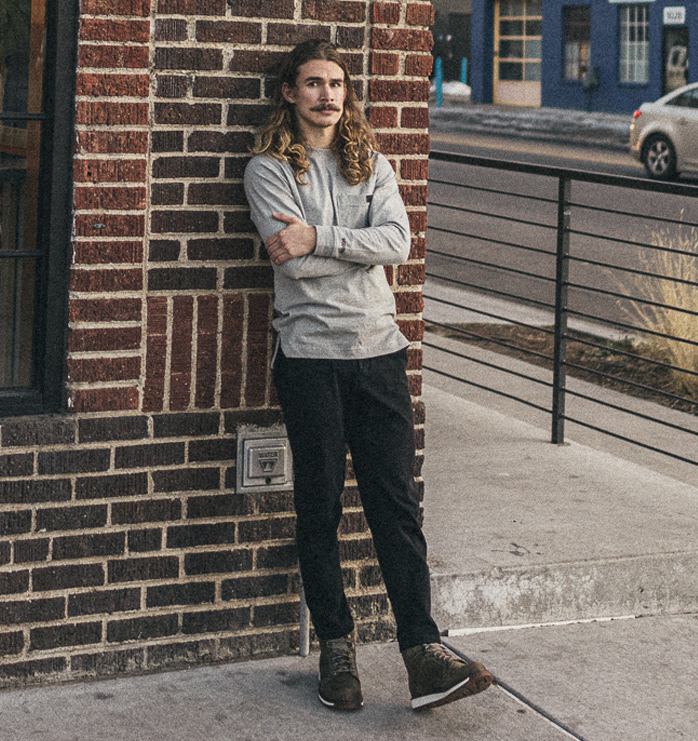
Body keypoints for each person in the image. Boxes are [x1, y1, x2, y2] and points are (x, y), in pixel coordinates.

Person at [243, 39, 495, 713]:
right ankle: (336, 647)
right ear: (290, 94)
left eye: (337, 83)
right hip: (310, 360)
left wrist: (319, 237)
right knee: (319, 508)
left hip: (379, 353)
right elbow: (289, 263)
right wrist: (351, 248)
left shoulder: (374, 164)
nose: (328, 94)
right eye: (314, 83)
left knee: (396, 509)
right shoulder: (268, 170)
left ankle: (422, 651)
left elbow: (398, 244)